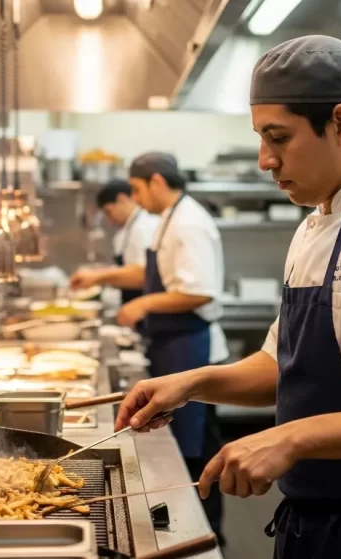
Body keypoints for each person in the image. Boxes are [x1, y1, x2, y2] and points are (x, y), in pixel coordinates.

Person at [113, 36, 341, 559]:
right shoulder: (315, 225)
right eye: (261, 138)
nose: (266, 160)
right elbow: (281, 362)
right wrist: (191, 383)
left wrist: (289, 438)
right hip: (313, 524)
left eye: (279, 138)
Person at [114, 152, 228, 541]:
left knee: (196, 452)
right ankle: (189, 530)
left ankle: (208, 536)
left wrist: (143, 303)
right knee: (183, 449)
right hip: (172, 346)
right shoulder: (169, 218)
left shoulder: (189, 222)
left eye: (136, 188)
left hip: (190, 347)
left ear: (157, 182)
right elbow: (156, 274)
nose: (135, 197)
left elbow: (198, 292)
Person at [69, 180, 160, 305]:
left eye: (109, 212)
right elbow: (127, 268)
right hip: (132, 304)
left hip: (145, 306)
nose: (110, 220)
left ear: (122, 199)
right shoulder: (126, 230)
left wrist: (98, 276)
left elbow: (144, 273)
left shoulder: (145, 226)